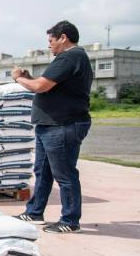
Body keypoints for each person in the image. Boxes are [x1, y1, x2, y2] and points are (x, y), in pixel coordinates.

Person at [11, 20, 93, 234]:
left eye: (51, 41)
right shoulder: (71, 59)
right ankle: (35, 211)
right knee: (43, 172)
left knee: (65, 174)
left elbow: (40, 86)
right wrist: (30, 78)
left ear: (63, 37)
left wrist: (19, 78)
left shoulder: (70, 56)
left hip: (62, 125)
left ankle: (70, 220)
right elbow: (45, 85)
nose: (49, 45)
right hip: (50, 125)